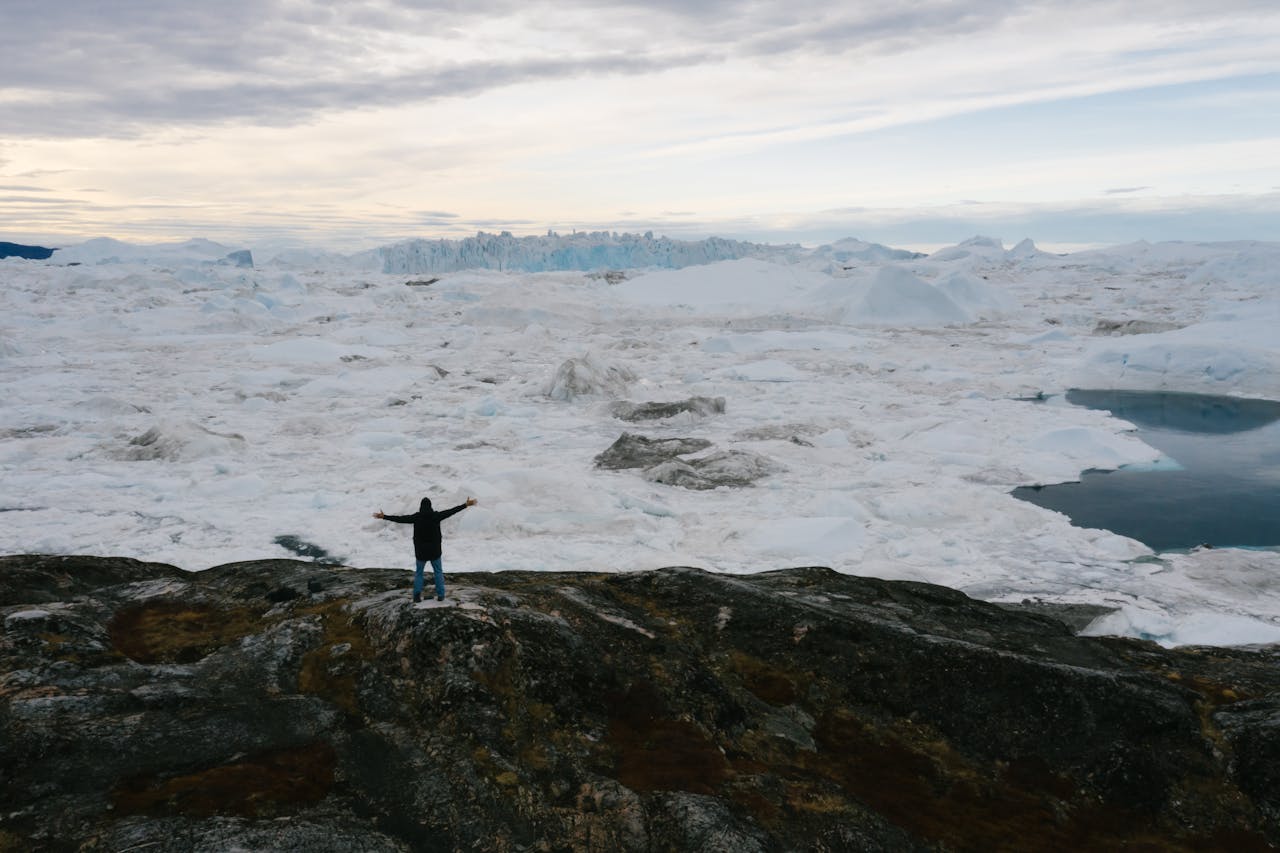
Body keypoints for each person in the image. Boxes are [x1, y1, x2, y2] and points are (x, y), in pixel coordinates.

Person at [374, 497, 478, 602]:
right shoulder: (436, 516)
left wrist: (384, 517)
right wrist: (465, 505)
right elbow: (451, 511)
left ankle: (417, 596)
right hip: (435, 551)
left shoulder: (416, 517)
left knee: (419, 573)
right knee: (438, 572)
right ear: (430, 506)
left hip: (421, 552)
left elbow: (400, 519)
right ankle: (441, 595)